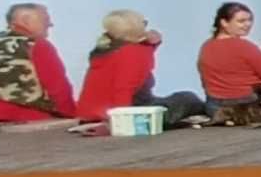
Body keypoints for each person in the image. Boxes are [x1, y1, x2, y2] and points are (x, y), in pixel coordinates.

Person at [76, 10, 204, 125]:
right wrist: (121, 121)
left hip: (91, 113)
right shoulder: (134, 53)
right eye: (144, 23)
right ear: (135, 29)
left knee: (169, 100)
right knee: (188, 98)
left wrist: (152, 42)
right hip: (117, 112)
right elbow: (123, 88)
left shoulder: (105, 50)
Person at [0, 2, 76, 124]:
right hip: (26, 117)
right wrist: (72, 115)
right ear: (25, 21)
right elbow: (57, 87)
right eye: (45, 19)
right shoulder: (37, 45)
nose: (50, 24)